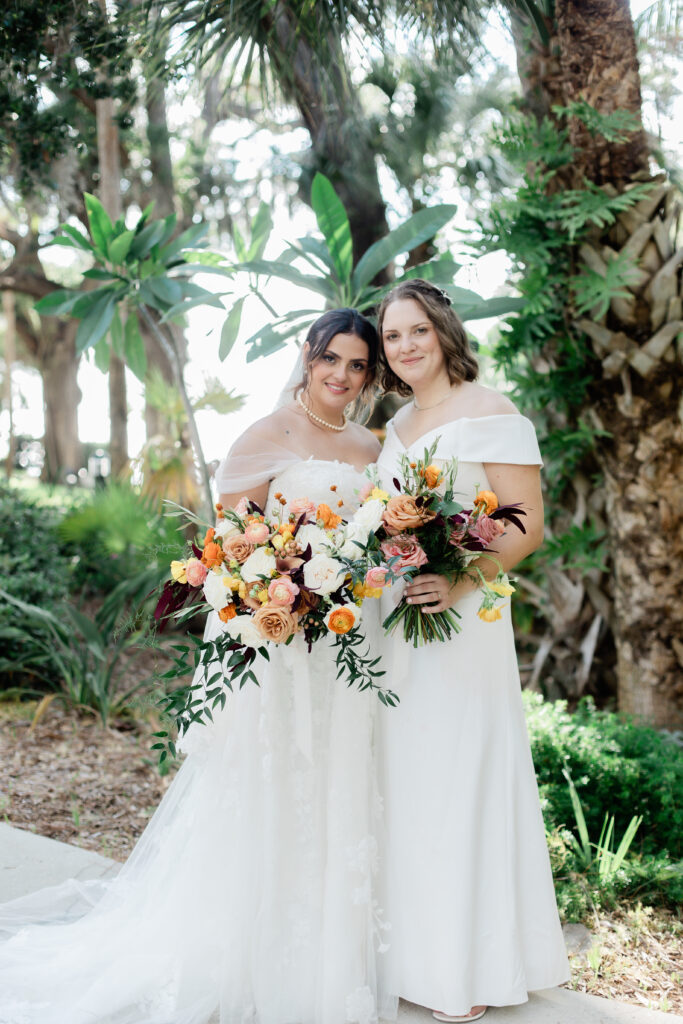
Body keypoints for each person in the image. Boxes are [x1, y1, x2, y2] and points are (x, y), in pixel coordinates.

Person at [0, 309, 393, 1024]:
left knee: (334, 782)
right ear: (308, 356)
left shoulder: (372, 446)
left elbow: (377, 545)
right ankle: (245, 949)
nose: (341, 375)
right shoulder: (266, 432)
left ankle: (324, 948)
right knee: (271, 783)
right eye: (330, 358)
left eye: (357, 365)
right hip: (277, 643)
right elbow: (231, 542)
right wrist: (282, 580)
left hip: (343, 645)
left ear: (369, 375)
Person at [374, 279, 569, 1024]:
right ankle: (416, 956)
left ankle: (473, 965)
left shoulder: (493, 412)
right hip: (399, 625)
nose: (405, 346)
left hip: (464, 624)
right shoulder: (394, 424)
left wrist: (457, 580)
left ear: (443, 331)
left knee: (462, 776)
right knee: (410, 781)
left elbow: (525, 528)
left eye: (416, 330)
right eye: (392, 337)